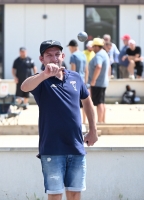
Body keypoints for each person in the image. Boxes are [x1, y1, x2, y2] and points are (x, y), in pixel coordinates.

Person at [21, 40, 97, 200]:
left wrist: (93, 130)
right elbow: (24, 87)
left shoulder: (75, 77)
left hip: (76, 146)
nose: (54, 58)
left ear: (63, 56)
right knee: (55, 195)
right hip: (52, 149)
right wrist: (44, 75)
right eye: (49, 55)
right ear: (41, 59)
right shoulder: (40, 81)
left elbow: (88, 102)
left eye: (57, 54)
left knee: (75, 194)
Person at [88, 38, 110, 123]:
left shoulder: (99, 55)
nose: (92, 48)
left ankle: (100, 121)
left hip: (98, 83)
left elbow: (98, 66)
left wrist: (93, 80)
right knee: (102, 102)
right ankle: (102, 121)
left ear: (97, 46)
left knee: (99, 102)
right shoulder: (104, 53)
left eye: (93, 46)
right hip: (103, 82)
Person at [68, 39, 88, 124]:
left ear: (72, 47)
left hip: (75, 82)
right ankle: (84, 121)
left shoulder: (73, 56)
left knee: (75, 103)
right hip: (83, 81)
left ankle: (78, 121)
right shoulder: (83, 55)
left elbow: (73, 70)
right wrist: (86, 82)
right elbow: (86, 70)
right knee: (84, 103)